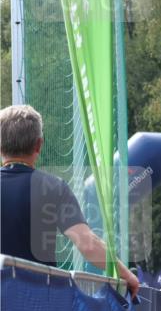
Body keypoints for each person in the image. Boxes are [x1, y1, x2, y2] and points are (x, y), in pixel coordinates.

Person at [0, 105, 139, 297]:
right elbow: (88, 245)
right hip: (37, 307)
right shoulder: (54, 188)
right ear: (39, 144)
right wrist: (126, 274)